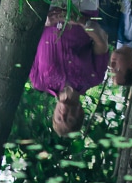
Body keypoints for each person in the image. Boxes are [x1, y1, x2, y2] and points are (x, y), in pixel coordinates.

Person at [29, 7, 109, 136]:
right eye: (70, 119)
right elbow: (102, 41)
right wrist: (82, 22)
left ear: (54, 113)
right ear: (80, 113)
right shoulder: (94, 78)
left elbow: (28, 39)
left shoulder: (38, 81)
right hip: (82, 7)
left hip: (47, 6)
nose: (64, 114)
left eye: (59, 118)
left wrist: (43, 22)